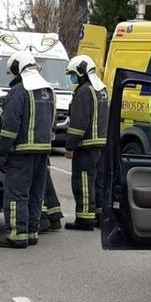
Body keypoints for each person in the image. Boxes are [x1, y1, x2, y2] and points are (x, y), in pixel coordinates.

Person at [0, 83, 63, 232]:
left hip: (26, 150)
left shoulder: (2, 102)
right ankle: (52, 217)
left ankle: (40, 220)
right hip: (40, 148)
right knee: (42, 186)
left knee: (23, 191)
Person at [0, 52, 55, 249]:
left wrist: (3, 150)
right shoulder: (48, 90)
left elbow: (11, 123)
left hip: (21, 151)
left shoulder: (20, 91)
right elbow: (52, 122)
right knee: (36, 194)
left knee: (17, 193)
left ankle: (17, 235)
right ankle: (32, 232)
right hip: (43, 150)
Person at [63, 55, 108, 230]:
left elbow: (79, 122)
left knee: (83, 181)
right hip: (101, 143)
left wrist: (70, 145)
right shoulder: (101, 88)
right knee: (98, 181)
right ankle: (98, 215)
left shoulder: (83, 92)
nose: (72, 78)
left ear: (81, 72)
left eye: (73, 74)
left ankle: (84, 219)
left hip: (87, 145)